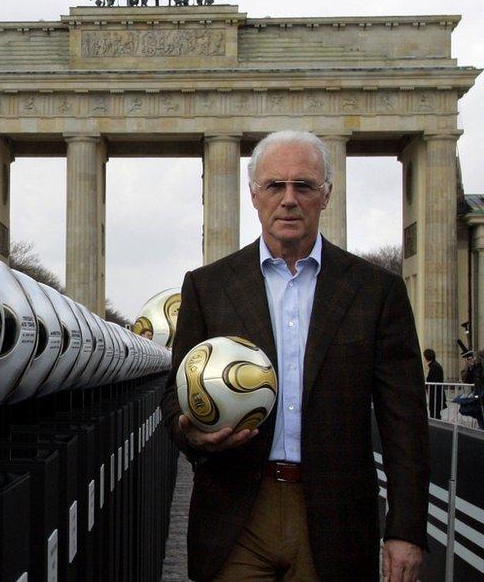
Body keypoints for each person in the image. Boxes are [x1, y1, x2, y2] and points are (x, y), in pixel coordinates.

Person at [161, 130, 429, 582]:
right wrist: (193, 438)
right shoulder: (207, 287)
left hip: (335, 515)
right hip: (236, 512)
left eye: (303, 185)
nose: (288, 199)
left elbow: (404, 418)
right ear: (253, 195)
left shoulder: (374, 290)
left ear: (326, 195)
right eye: (275, 186)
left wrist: (405, 530)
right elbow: (173, 396)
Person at [424, 348, 445, 419]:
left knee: (435, 415)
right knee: (434, 413)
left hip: (436, 396)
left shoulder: (434, 366)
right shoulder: (434, 365)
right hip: (435, 395)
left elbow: (433, 381)